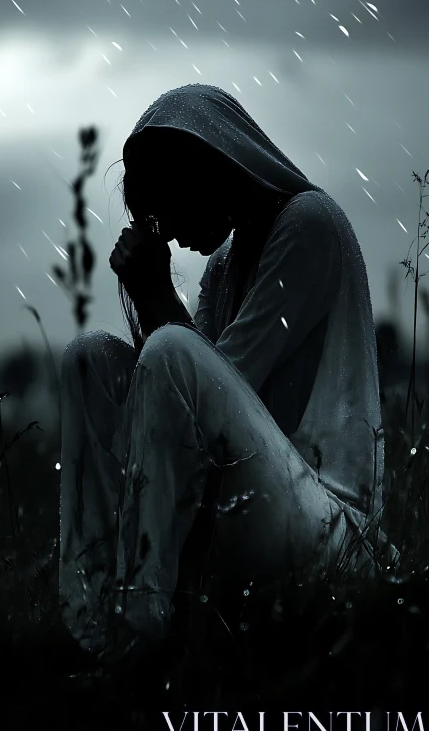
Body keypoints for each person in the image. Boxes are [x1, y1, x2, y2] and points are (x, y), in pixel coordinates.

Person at [59, 83, 394, 668]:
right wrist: (153, 304)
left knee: (168, 347)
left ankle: (141, 640)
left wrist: (159, 294)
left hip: (328, 529)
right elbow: (193, 409)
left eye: (169, 209)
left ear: (211, 170)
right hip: (253, 509)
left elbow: (214, 377)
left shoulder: (310, 223)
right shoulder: (223, 265)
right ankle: (91, 628)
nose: (171, 233)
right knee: (87, 358)